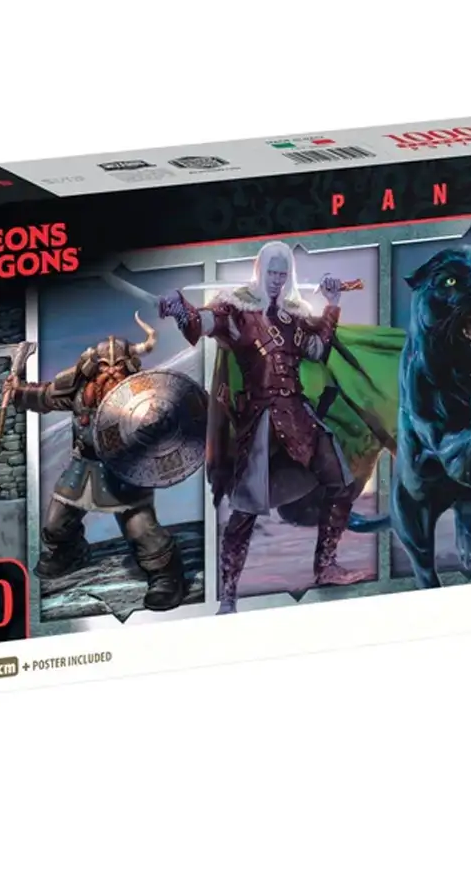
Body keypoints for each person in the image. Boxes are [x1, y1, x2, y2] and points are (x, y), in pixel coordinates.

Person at [160, 241, 385, 613]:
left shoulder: (294, 316)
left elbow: (317, 350)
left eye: (283, 273)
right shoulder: (236, 311)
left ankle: (325, 567)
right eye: (272, 272)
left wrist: (332, 303)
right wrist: (180, 308)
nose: (278, 280)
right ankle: (228, 596)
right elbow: (203, 324)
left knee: (341, 481)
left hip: (299, 415)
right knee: (245, 510)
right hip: (260, 420)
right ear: (260, 271)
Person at [3, 316, 188, 612]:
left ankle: (166, 577)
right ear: (93, 368)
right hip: (83, 467)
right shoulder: (80, 391)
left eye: (119, 366)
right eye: (104, 366)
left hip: (125, 473)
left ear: (130, 367)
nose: (111, 371)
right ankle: (70, 553)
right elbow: (46, 396)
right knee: (54, 525)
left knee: (142, 532)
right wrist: (18, 391)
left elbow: (168, 424)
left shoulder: (143, 394)